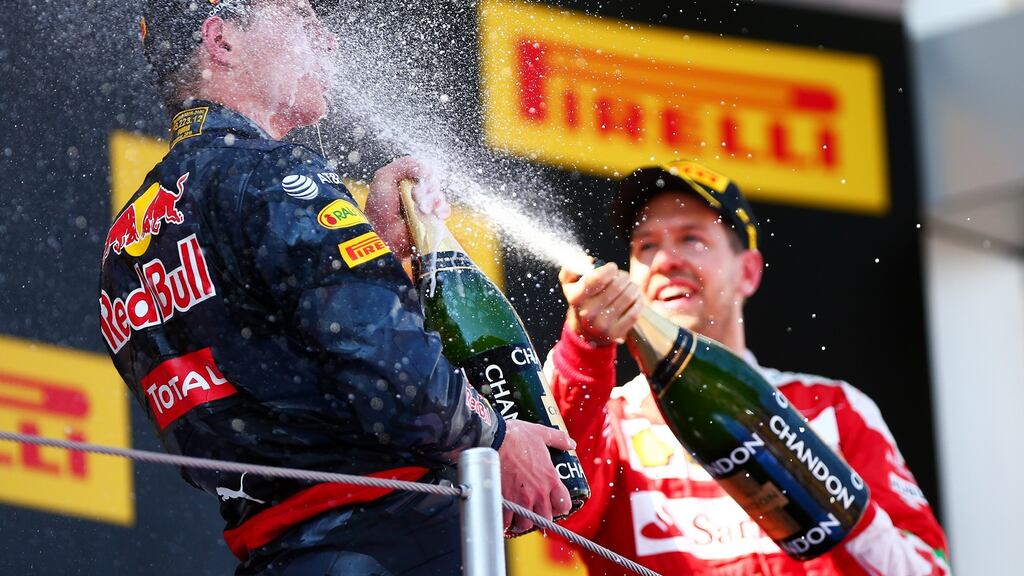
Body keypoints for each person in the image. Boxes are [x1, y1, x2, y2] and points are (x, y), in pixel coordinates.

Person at [100, 1, 572, 574]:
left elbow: (266, 365)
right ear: (221, 42)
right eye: (300, 17)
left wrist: (369, 245)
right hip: (391, 540)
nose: (327, 40)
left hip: (277, 552)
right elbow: (390, 374)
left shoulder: (126, 241)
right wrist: (495, 438)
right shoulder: (268, 173)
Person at [545, 160, 950, 575]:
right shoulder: (611, 421)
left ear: (749, 272)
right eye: (646, 245)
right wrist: (585, 345)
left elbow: (929, 569)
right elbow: (556, 505)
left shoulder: (833, 410)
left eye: (692, 238)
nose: (665, 260)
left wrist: (835, 501)